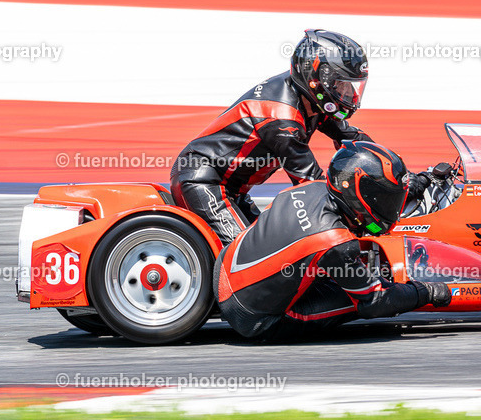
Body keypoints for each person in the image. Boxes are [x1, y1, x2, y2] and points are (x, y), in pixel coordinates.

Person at [214, 141, 452, 340]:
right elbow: (374, 302)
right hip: (254, 318)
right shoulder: (334, 241)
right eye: (385, 199)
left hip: (224, 267)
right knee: (375, 294)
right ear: (358, 193)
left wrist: (418, 183)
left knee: (328, 264)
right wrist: (423, 292)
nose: (391, 208)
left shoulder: (311, 187)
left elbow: (351, 208)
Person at [169, 29, 375, 245]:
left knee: (270, 247)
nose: (349, 95)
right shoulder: (282, 117)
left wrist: (399, 174)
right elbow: (312, 184)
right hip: (202, 180)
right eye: (341, 84)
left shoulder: (311, 98)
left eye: (351, 87)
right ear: (317, 78)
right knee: (243, 255)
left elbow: (351, 138)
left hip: (231, 188)